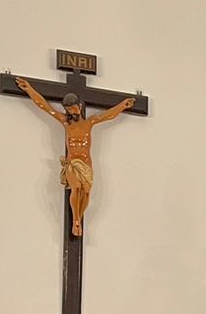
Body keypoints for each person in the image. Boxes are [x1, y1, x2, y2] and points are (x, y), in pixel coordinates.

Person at [13, 76, 137, 237]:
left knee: (86, 192)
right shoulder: (66, 122)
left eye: (73, 108)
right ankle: (76, 220)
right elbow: (44, 106)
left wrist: (122, 106)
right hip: (72, 162)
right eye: (69, 109)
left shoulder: (89, 123)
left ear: (80, 106)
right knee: (76, 188)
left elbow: (108, 115)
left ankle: (79, 217)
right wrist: (29, 89)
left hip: (86, 163)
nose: (72, 112)